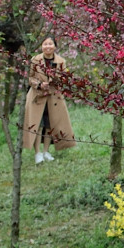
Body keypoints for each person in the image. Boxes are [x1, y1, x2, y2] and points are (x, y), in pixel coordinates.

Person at [23, 37, 77, 165]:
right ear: (42, 46)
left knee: (49, 125)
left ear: (55, 46)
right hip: (37, 96)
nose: (48, 46)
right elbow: (30, 78)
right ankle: (37, 153)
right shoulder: (35, 60)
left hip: (53, 97)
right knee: (37, 125)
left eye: (50, 44)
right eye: (45, 44)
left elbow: (65, 78)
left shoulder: (61, 61)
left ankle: (46, 151)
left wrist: (55, 81)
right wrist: (40, 84)